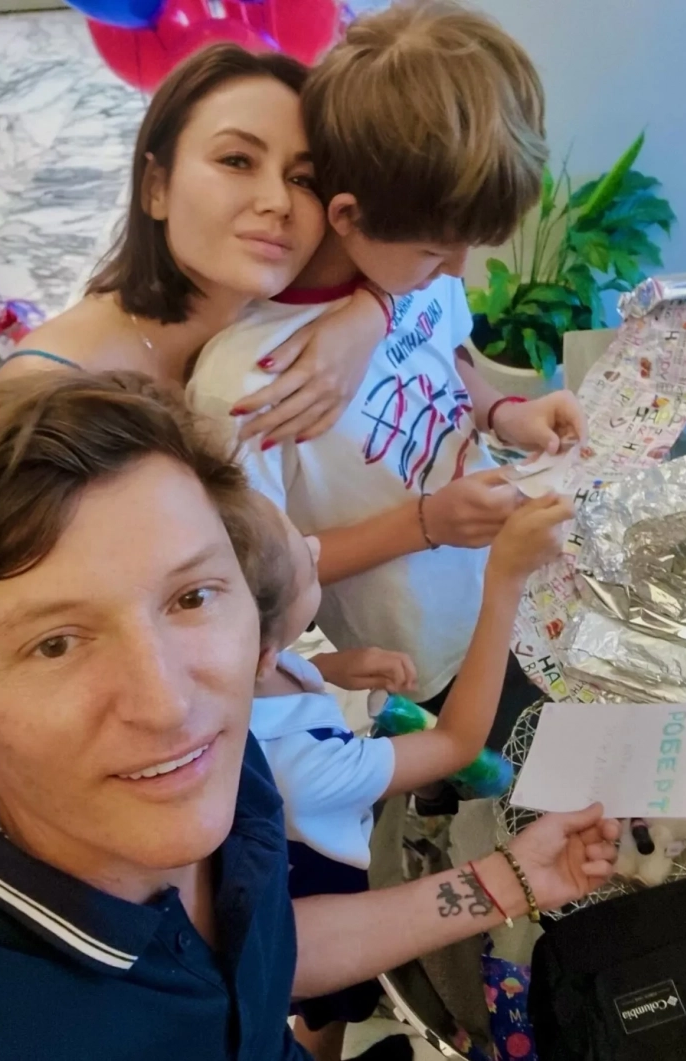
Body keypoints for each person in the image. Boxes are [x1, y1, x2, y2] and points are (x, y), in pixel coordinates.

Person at [0, 372, 619, 1061]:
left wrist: (510, 879)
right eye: (55, 643)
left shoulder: (227, 755)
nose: (169, 705)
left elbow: (264, 948)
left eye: (192, 597)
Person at [187, 0, 586, 782]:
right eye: (439, 251)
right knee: (507, 778)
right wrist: (428, 522)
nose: (456, 271)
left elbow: (447, 360)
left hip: (513, 585)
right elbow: (269, 577)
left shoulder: (402, 269)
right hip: (424, 648)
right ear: (347, 215)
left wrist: (506, 411)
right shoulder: (247, 383)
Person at [248, 490, 573, 1059]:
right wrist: (504, 580)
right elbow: (455, 742)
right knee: (333, 995)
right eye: (308, 559)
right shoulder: (311, 768)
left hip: (291, 855)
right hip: (317, 895)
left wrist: (328, 668)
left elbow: (268, 674)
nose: (318, 550)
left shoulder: (239, 673)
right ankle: (325, 1038)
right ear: (264, 646)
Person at [0, 45, 392, 448]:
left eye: (304, 179)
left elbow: (416, 253)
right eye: (237, 161)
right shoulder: (46, 399)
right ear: (156, 187)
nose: (278, 201)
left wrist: (369, 317)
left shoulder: (291, 300)